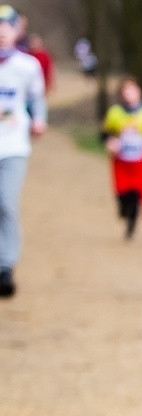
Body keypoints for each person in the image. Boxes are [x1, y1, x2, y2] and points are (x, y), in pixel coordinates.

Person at [0, 4, 46, 300]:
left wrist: (39, 119)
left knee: (5, 202)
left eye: (7, 26)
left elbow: (36, 97)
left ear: (18, 30)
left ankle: (5, 266)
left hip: (13, 145)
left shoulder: (28, 66)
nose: (2, 32)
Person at [102, 77, 142, 239]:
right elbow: (105, 134)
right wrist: (109, 142)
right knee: (122, 193)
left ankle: (131, 225)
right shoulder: (115, 113)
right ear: (122, 94)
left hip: (140, 161)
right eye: (126, 90)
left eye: (132, 90)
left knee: (136, 193)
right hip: (120, 161)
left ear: (139, 91)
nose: (129, 94)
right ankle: (123, 210)